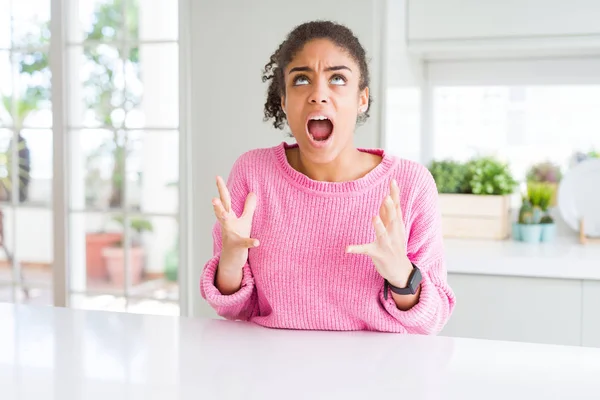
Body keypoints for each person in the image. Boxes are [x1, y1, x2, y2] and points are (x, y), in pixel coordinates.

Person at [200, 20, 456, 333]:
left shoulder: (410, 185)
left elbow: (433, 320)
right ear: (283, 101)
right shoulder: (253, 174)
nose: (318, 94)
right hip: (272, 371)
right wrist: (231, 259)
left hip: (377, 375)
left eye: (337, 78)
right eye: (301, 80)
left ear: (361, 99)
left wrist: (401, 273)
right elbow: (235, 311)